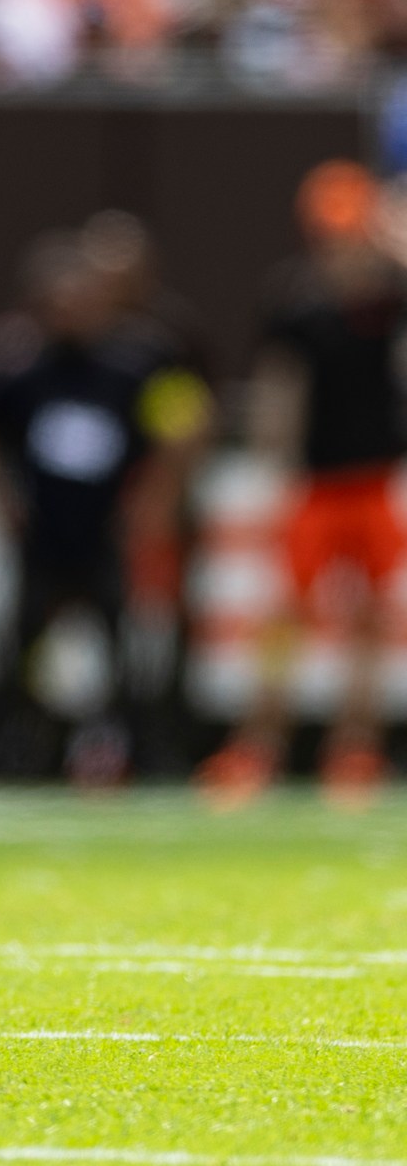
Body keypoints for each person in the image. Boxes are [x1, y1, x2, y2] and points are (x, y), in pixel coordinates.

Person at [0, 231, 212, 781]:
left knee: (126, 653)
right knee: (21, 648)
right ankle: (4, 755)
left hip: (106, 533)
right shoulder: (18, 361)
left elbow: (188, 426)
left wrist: (155, 498)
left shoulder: (139, 360)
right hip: (45, 532)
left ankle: (149, 756)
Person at [198, 161, 403, 804]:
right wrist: (273, 457)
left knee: (369, 620)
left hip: (374, 481)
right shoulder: (296, 299)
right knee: (284, 616)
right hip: (317, 483)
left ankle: (355, 747)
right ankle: (259, 745)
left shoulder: (392, 293)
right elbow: (279, 383)